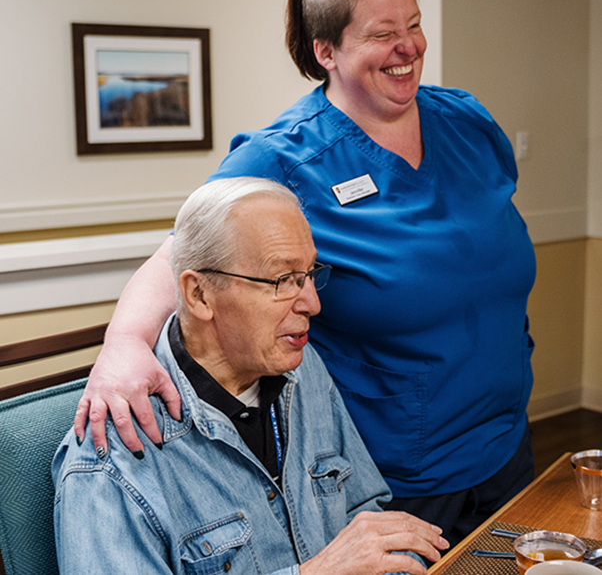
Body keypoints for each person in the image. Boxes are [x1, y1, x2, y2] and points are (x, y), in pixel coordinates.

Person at [74, 0, 537, 548]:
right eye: (381, 34)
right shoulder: (284, 156)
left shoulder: (467, 122)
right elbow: (181, 257)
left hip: (507, 446)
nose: (409, 47)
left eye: (415, 26)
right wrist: (123, 344)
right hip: (397, 477)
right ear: (327, 51)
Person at [53, 178, 448, 575]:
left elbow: (372, 519)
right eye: (282, 281)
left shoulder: (300, 364)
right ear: (200, 296)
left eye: (310, 274)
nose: (313, 303)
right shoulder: (109, 458)